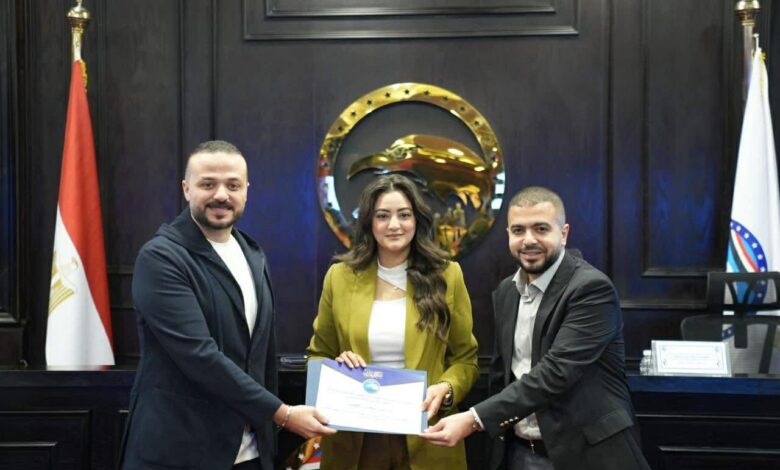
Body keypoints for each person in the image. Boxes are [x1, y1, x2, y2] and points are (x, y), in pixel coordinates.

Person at [119, 140, 335, 470]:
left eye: (233, 185)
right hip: (180, 453)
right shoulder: (161, 257)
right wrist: (283, 414)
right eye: (208, 184)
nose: (221, 195)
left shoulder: (251, 253)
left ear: (246, 190)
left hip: (250, 453)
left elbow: (259, 357)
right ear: (186, 188)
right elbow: (199, 356)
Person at [422, 186, 650, 470]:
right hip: (521, 453)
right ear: (508, 234)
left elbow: (555, 373)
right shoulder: (507, 291)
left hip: (588, 455)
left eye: (541, 229)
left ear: (563, 234)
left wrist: (474, 419)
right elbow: (504, 374)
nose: (528, 240)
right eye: (518, 230)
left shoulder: (591, 288)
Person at [306, 173, 479, 470]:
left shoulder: (447, 275)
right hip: (356, 441)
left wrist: (447, 388)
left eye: (404, 215)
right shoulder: (340, 277)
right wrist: (337, 367)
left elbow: (466, 359)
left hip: (427, 434)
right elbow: (317, 355)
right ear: (369, 223)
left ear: (417, 220)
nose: (394, 225)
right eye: (383, 216)